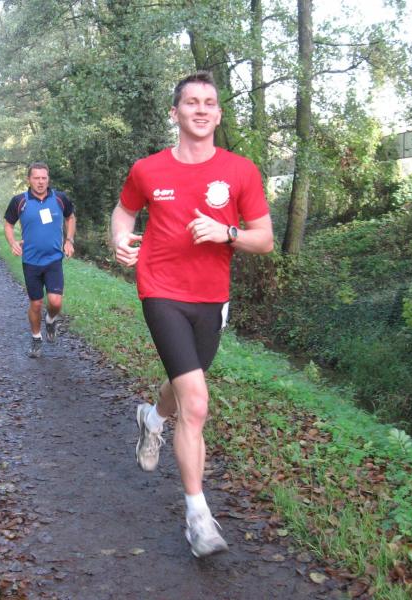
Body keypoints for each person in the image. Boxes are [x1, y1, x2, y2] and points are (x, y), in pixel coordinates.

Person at [110, 71, 274, 558]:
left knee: (185, 388)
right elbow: (124, 212)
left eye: (209, 103)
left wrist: (227, 233)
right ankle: (198, 518)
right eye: (191, 102)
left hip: (212, 298)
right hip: (160, 290)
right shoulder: (148, 169)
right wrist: (120, 239)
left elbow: (264, 239)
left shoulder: (241, 171)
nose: (201, 109)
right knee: (197, 403)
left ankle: (152, 416)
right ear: (175, 112)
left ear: (218, 114)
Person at [4, 162, 76, 358]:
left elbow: (70, 217)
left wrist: (69, 240)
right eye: (36, 178)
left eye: (44, 178)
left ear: (48, 179)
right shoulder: (20, 201)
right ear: (29, 179)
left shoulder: (59, 198)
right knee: (35, 304)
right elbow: (8, 224)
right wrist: (12, 242)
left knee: (55, 302)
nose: (41, 182)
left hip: (54, 259)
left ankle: (51, 319)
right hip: (31, 261)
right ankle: (36, 338)